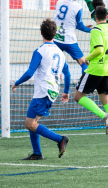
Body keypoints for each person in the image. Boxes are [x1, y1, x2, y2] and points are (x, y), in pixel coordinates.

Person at [12, 18, 71, 160]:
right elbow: (67, 74)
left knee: (29, 123)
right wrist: (66, 92)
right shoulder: (60, 52)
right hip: (53, 91)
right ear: (55, 34)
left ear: (41, 33)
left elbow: (29, 72)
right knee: (33, 123)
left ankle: (60, 139)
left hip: (43, 92)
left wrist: (17, 83)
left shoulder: (40, 51)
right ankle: (37, 153)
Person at [74, 6, 108, 146]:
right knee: (106, 100)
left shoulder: (96, 30)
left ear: (95, 17)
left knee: (78, 96)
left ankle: (104, 116)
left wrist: (86, 58)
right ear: (107, 17)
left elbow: (99, 49)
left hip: (95, 69)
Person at [53, 0, 92, 74]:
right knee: (83, 63)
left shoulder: (59, 2)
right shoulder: (78, 7)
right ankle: (83, 87)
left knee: (54, 64)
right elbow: (79, 26)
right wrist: (91, 30)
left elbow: (65, 21)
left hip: (56, 39)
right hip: (69, 41)